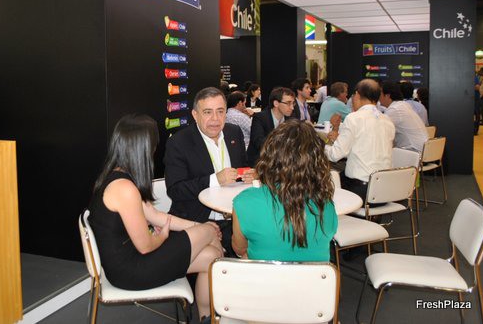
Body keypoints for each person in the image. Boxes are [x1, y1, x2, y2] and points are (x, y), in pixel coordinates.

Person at [88, 114, 223, 322]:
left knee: (212, 256)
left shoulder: (120, 177)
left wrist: (198, 229)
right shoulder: (124, 189)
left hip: (131, 262)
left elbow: (157, 216)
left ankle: (207, 318)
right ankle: (218, 310)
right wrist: (167, 235)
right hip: (132, 271)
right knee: (208, 231)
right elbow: (146, 246)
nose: (154, 150)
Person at [164, 87, 255, 254]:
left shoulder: (234, 133)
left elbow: (243, 168)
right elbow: (175, 190)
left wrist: (251, 175)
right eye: (207, 112)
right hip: (198, 221)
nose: (215, 119)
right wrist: (214, 180)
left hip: (235, 221)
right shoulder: (179, 143)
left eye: (220, 111)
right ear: (195, 115)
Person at [232, 119, 338, 261]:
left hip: (263, 274)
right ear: (318, 160)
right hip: (316, 275)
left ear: (270, 156)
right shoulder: (326, 204)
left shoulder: (244, 202)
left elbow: (239, 249)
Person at [325, 79, 395, 202]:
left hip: (361, 191)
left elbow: (334, 155)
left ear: (357, 94)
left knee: (324, 181)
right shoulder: (387, 120)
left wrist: (318, 146)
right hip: (385, 190)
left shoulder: (354, 118)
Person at [246, 87, 295, 166]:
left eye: (293, 103)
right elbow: (259, 142)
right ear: (276, 103)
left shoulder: (291, 119)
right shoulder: (260, 118)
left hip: (284, 163)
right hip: (261, 162)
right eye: (288, 103)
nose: (292, 107)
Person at [380, 81, 428, 153]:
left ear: (387, 96)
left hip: (413, 152)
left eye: (380, 94)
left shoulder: (395, 109)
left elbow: (379, 130)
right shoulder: (403, 105)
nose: (378, 98)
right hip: (423, 150)